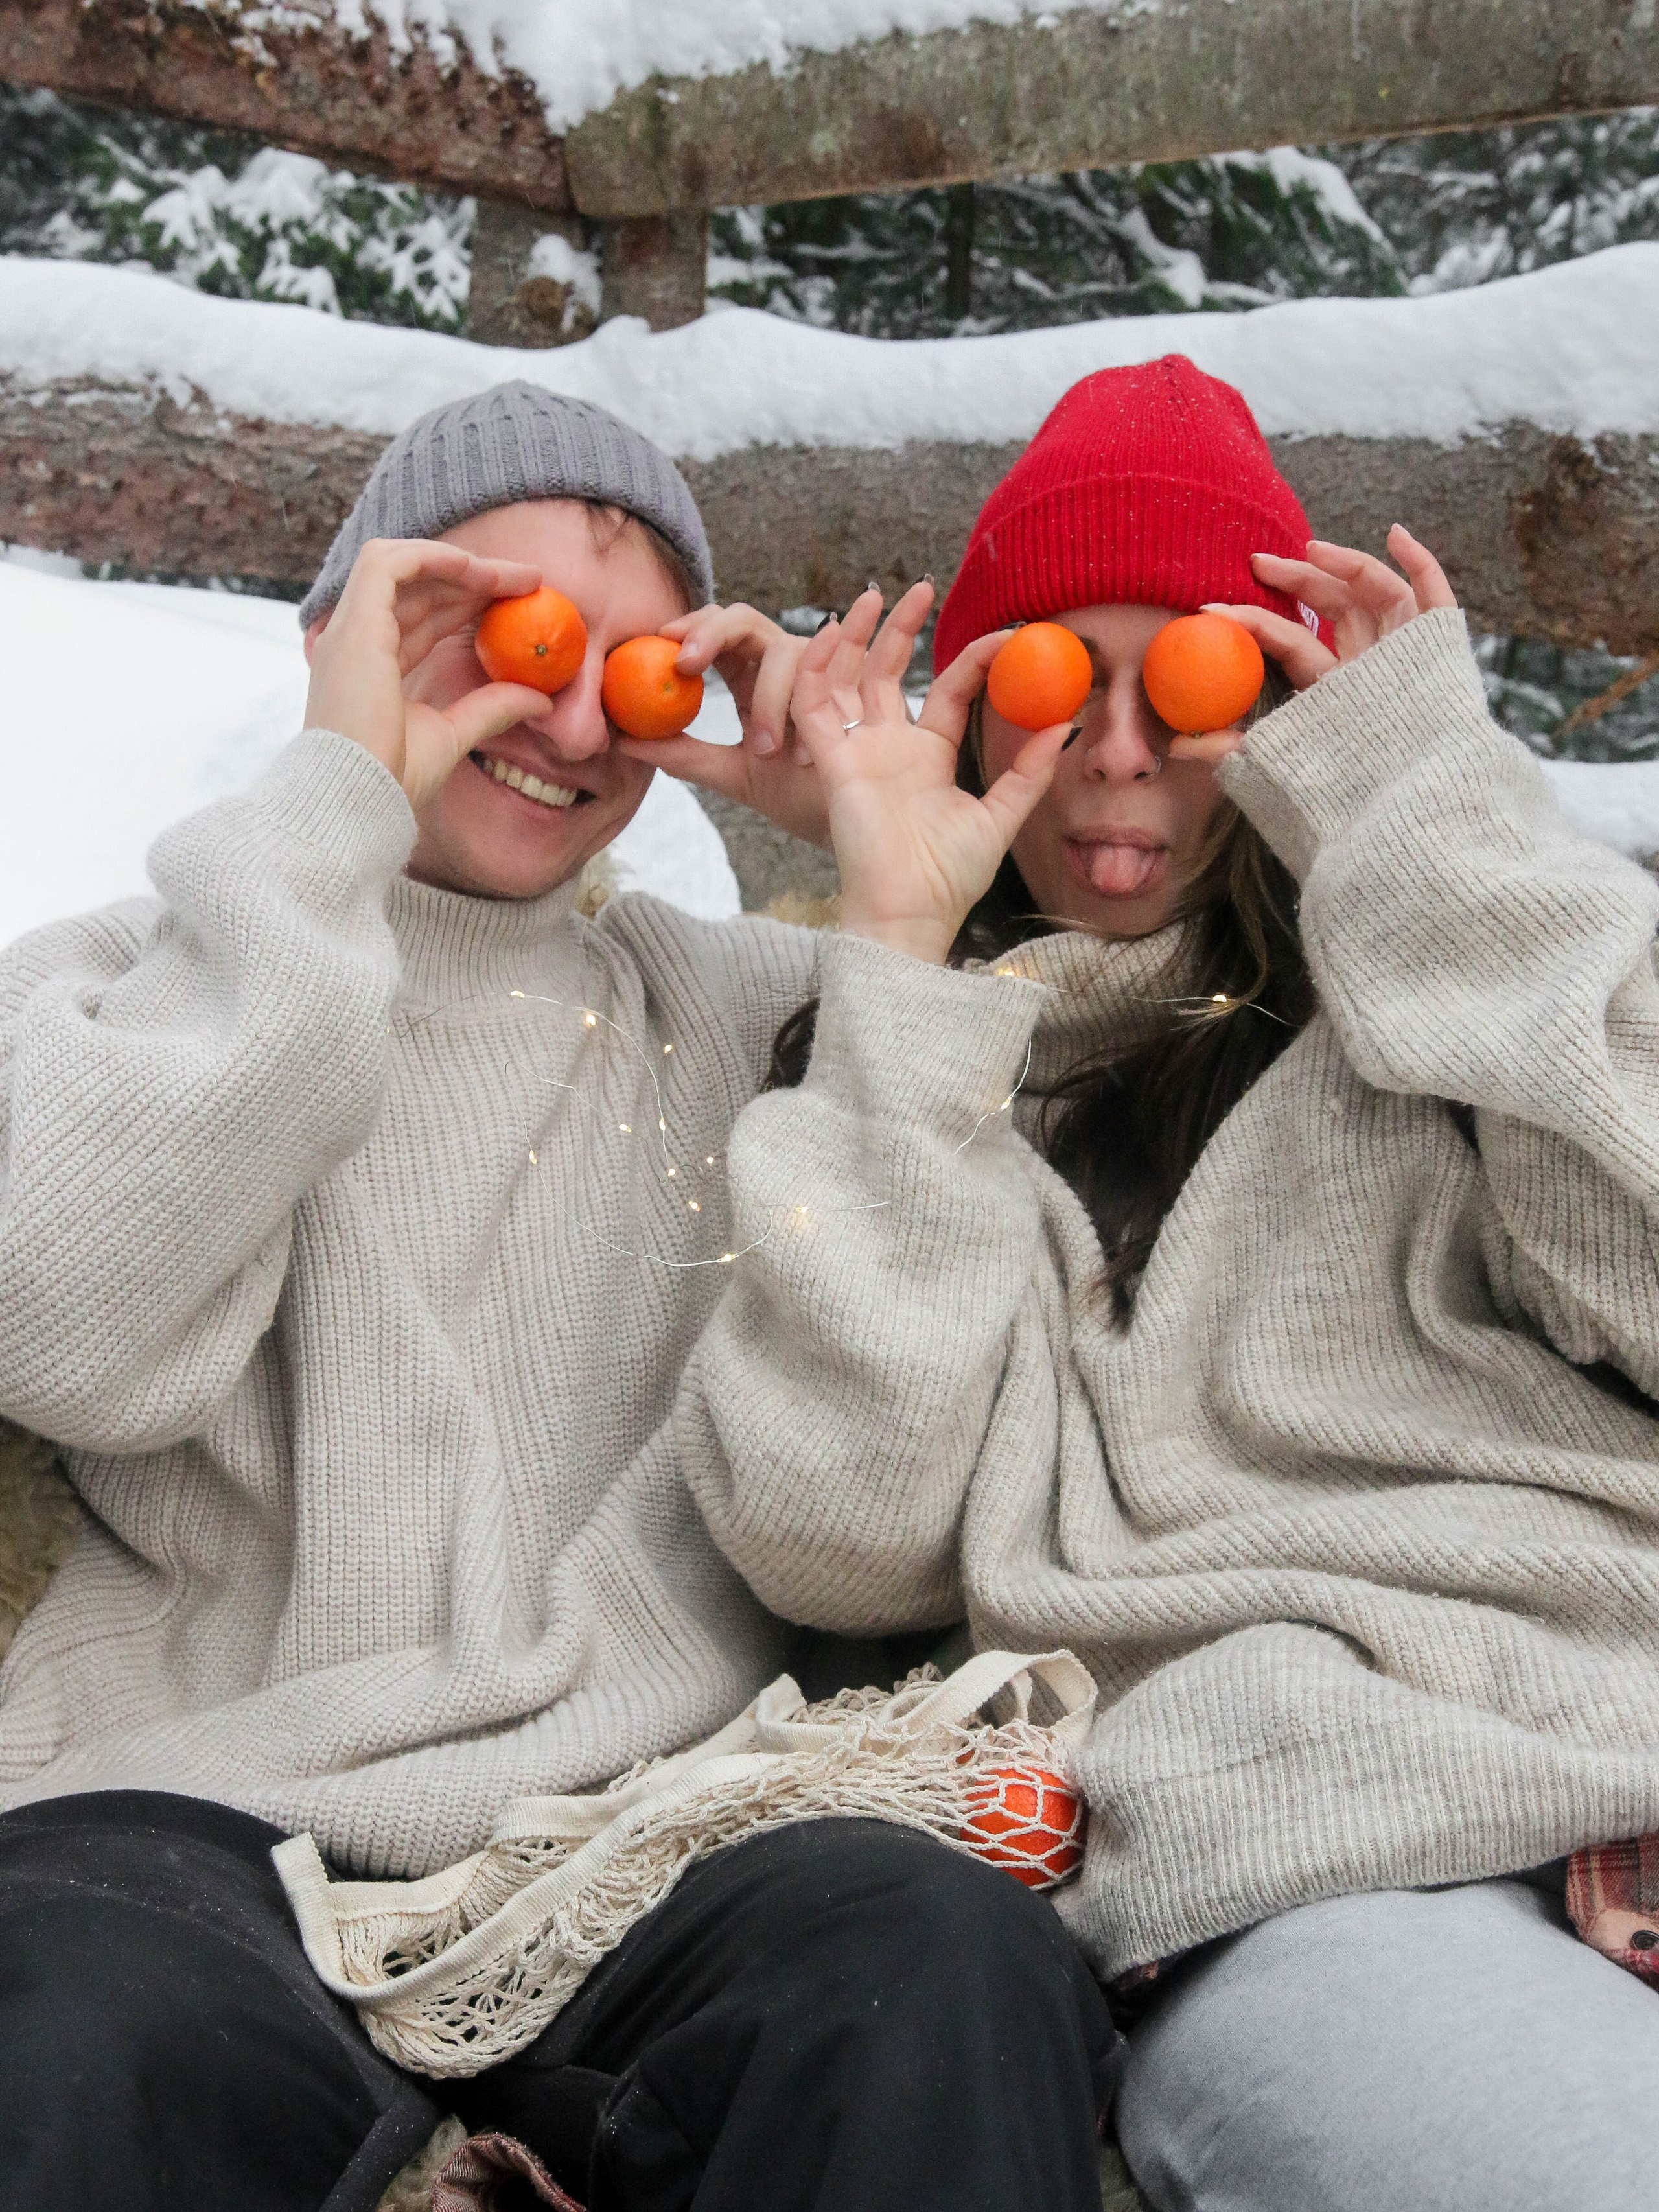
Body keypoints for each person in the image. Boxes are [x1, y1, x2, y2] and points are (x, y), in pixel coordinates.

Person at [0, 382, 1117, 2211]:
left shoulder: (756, 1014)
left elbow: (860, 1522)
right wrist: (335, 799)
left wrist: (884, 908)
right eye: (499, 634)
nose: (574, 714)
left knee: (930, 1966)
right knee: (63, 2039)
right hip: (200, 1825)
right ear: (339, 633)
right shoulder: (143, 973)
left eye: (645, 669)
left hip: (656, 1828)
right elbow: (67, 1323)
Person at [725, 354, 1659, 2212]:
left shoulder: (1428, 997)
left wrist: (1424, 816)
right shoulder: (910, 1073)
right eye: (1058, 683)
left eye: (1207, 683)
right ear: (977, 711)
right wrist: (899, 962)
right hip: (1318, 1855)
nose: (1127, 753)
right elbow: (831, 1538)